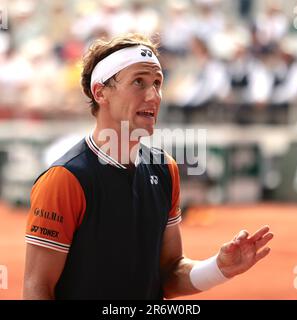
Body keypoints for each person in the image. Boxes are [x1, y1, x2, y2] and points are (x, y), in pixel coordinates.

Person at [23, 33, 273, 300]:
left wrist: (219, 268)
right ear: (100, 92)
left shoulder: (165, 168)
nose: (154, 95)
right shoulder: (65, 179)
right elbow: (38, 288)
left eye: (157, 82)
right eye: (139, 82)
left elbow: (168, 272)